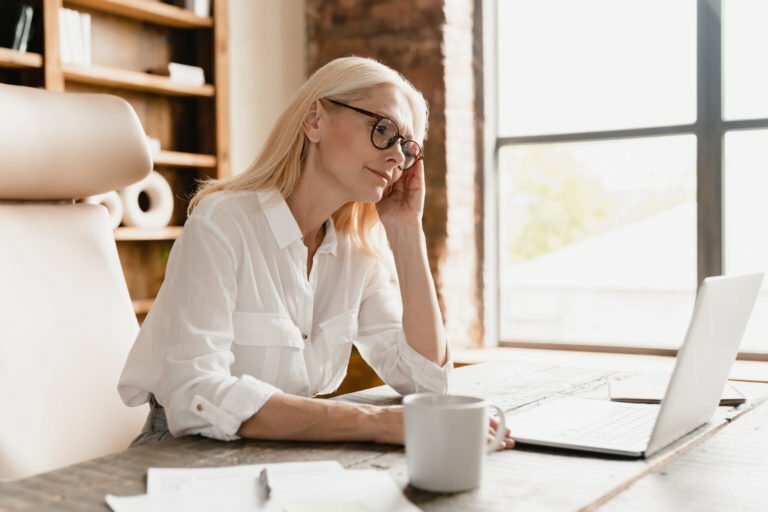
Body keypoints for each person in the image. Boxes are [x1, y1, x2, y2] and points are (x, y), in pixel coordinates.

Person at [118, 56, 514, 449]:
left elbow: (428, 383)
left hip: (283, 450)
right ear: (314, 121)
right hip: (182, 452)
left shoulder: (357, 255)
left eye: (406, 148)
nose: (396, 157)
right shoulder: (221, 224)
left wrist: (407, 231)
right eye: (382, 129)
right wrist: (378, 422)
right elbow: (195, 395)